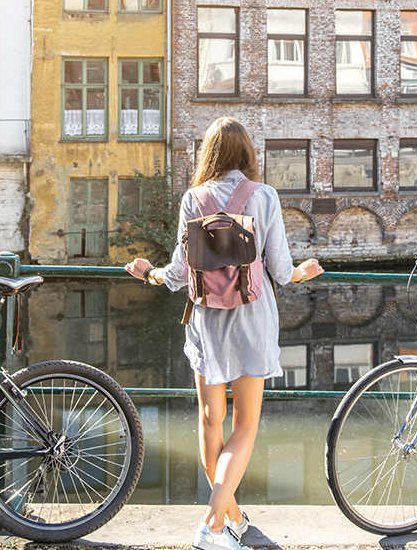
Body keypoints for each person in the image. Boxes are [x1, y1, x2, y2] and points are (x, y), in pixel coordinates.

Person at [125, 117, 322, 550]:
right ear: (247, 154)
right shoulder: (264, 196)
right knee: (246, 425)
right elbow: (282, 272)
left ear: (208, 154)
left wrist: (148, 273)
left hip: (206, 321)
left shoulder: (193, 199)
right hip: (253, 318)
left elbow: (177, 275)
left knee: (211, 423)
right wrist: (305, 273)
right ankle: (215, 524)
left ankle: (232, 517)